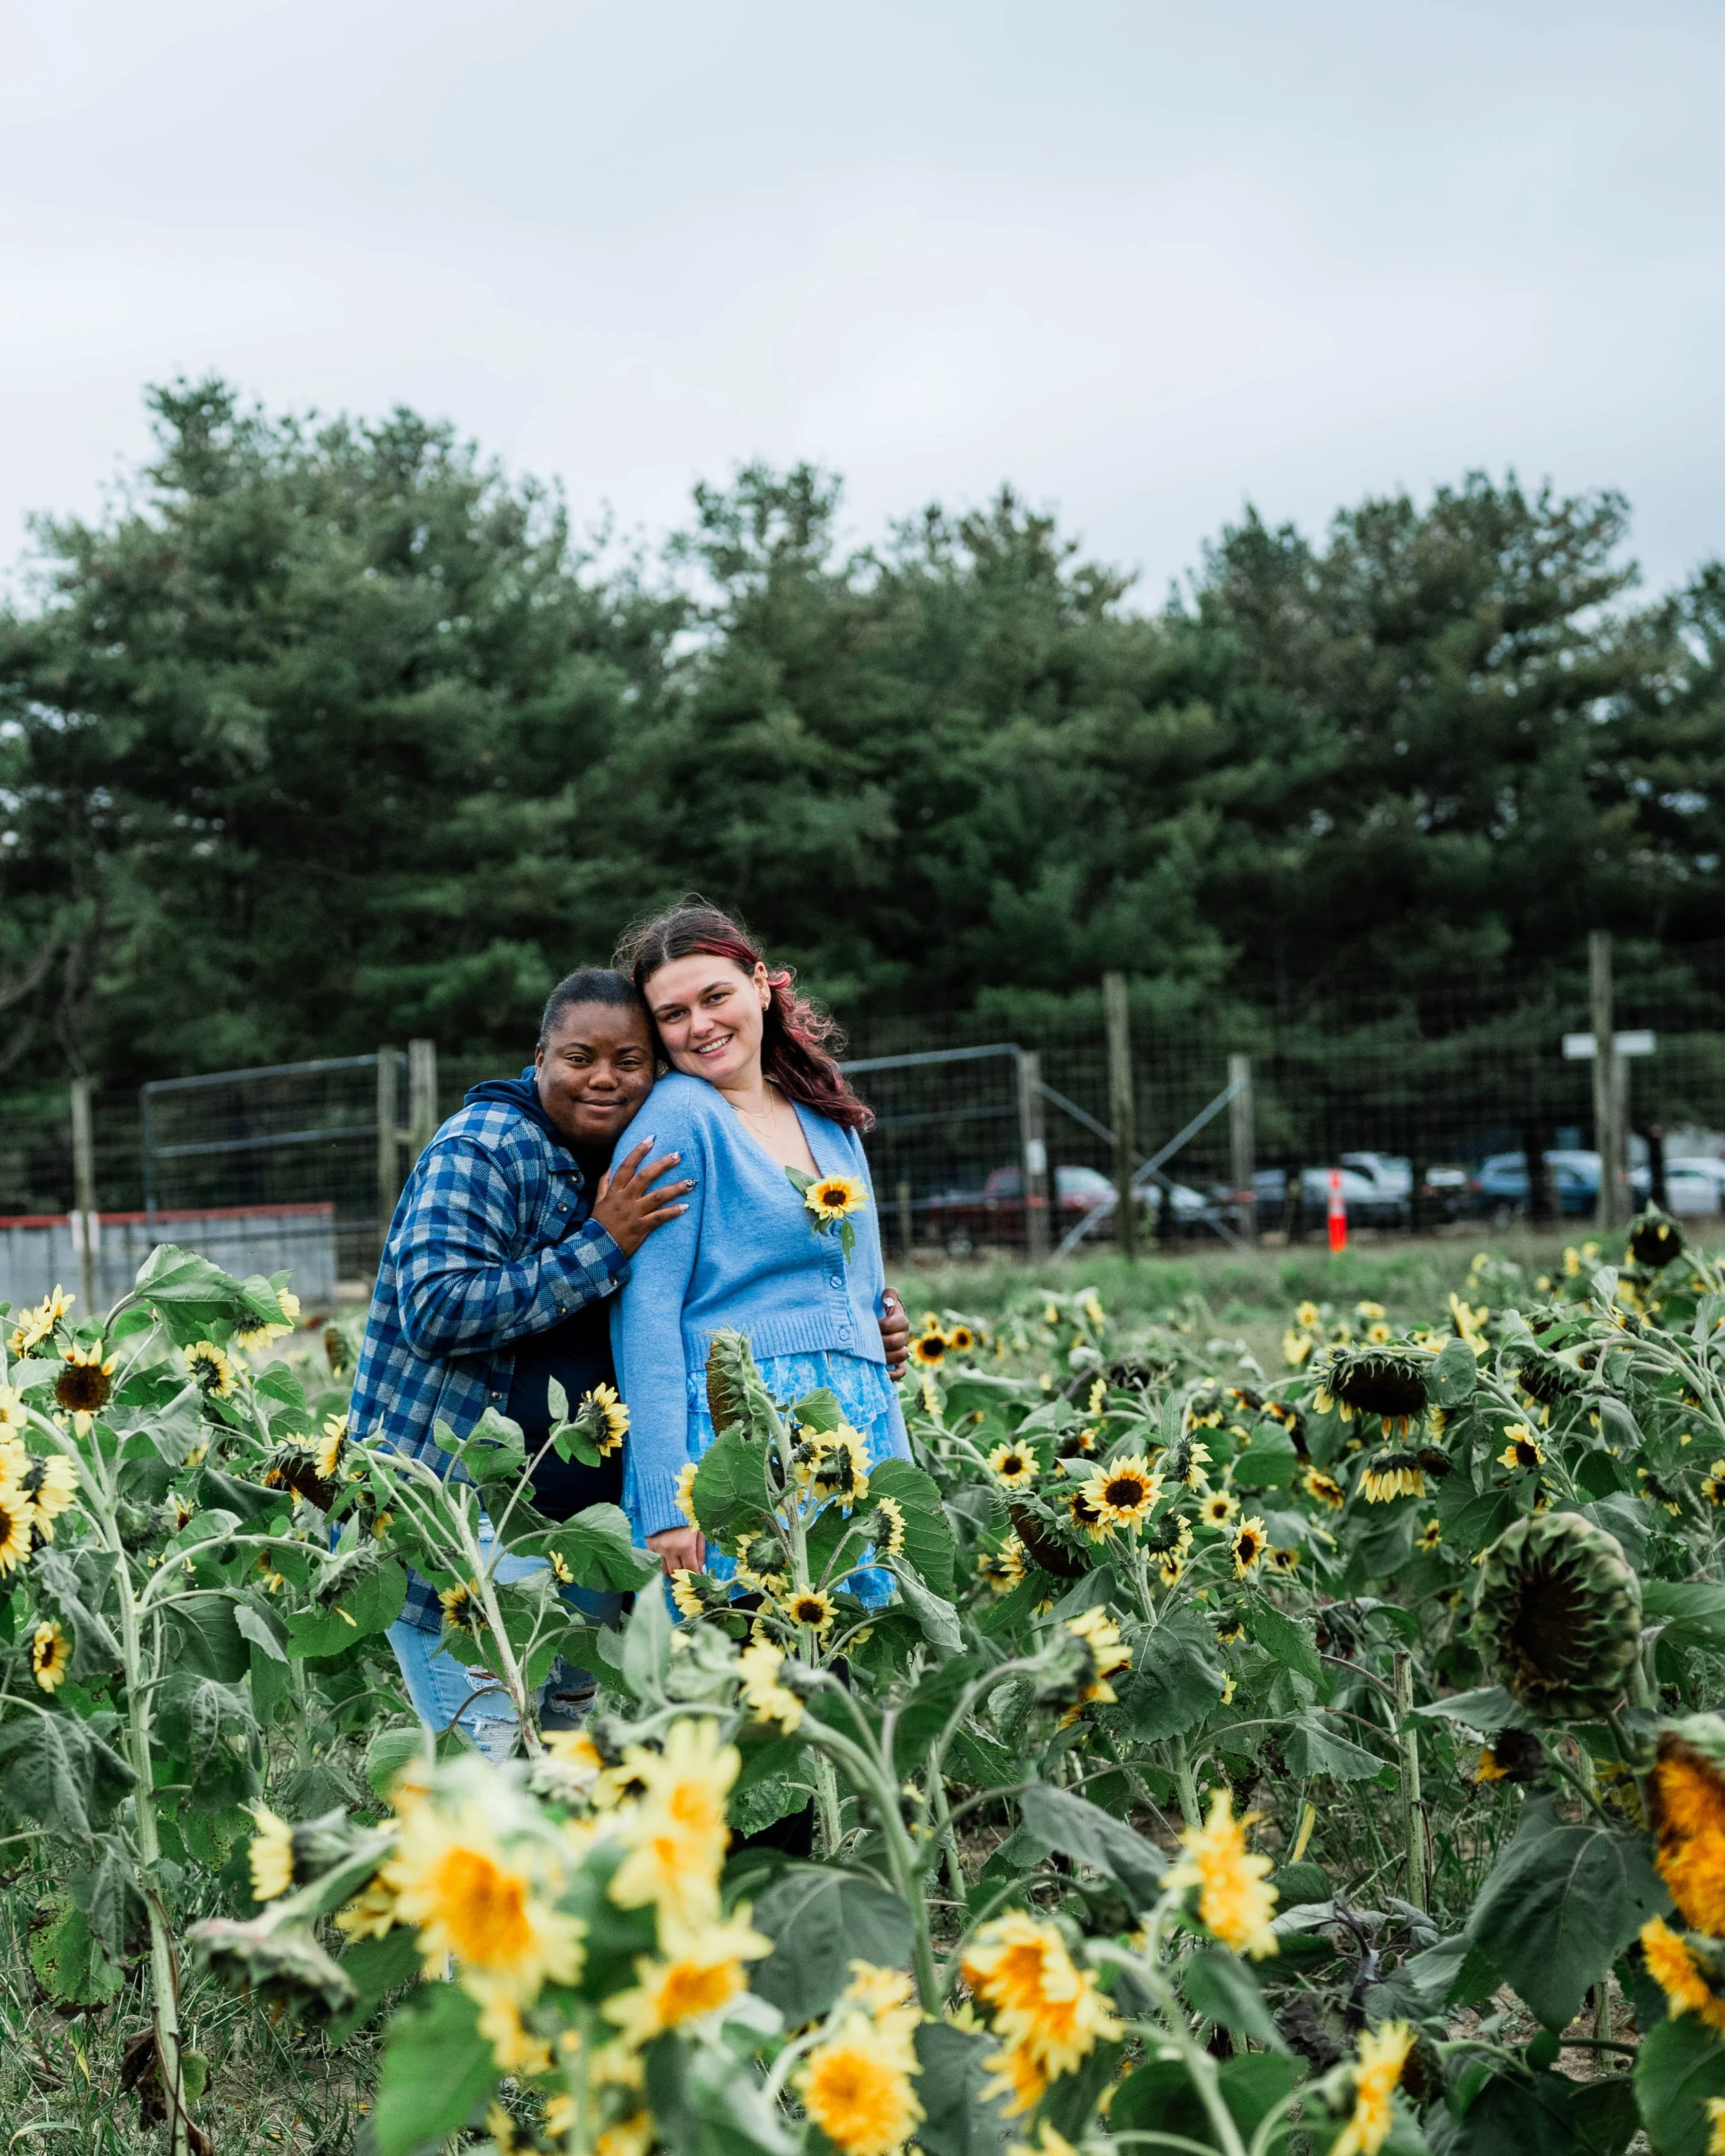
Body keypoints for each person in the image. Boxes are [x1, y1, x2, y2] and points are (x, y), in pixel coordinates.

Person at [347, 968, 690, 1752]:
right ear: (539, 1057)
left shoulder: (637, 1158)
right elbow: (435, 1306)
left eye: (629, 1060)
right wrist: (600, 1244)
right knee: (495, 1782)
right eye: (580, 1056)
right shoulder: (487, 1148)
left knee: (557, 1777)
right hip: (467, 1543)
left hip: (584, 1544)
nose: (604, 1077)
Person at [610, 902, 911, 1583]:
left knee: (842, 1661)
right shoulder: (679, 1118)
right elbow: (646, 1315)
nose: (701, 1025)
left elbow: (863, 1284)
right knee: (754, 1664)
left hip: (852, 1423)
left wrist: (884, 1328)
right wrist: (665, 1502)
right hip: (736, 1440)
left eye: (715, 996)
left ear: (759, 983)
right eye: (673, 1014)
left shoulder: (825, 1112)